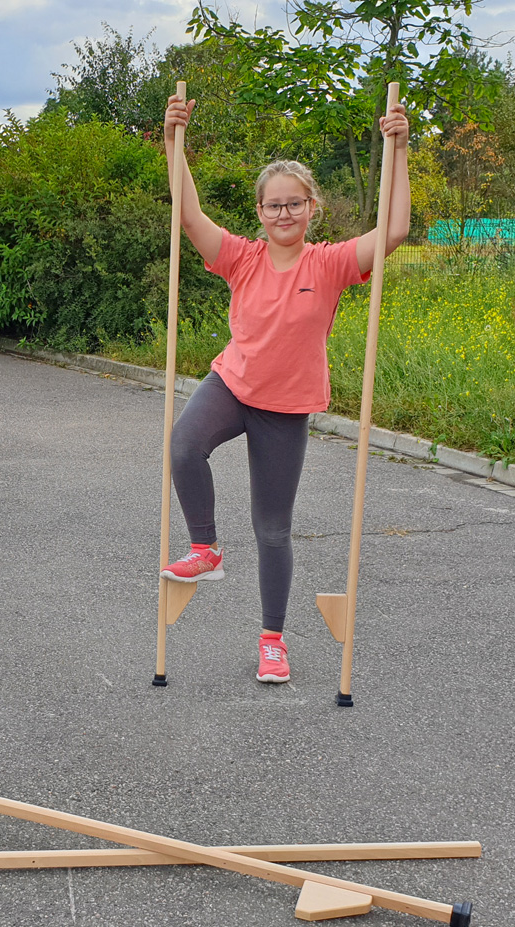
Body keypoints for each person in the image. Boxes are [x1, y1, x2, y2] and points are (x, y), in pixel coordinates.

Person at [160, 94, 410, 684]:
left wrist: (398, 148)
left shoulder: (328, 264)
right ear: (260, 212)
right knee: (183, 445)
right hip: (233, 383)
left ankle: (273, 641)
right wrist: (175, 141)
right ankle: (205, 548)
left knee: (272, 528)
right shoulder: (242, 259)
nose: (283, 214)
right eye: (273, 206)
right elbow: (189, 217)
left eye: (294, 204)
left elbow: (394, 227)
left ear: (311, 208)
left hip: (287, 407)